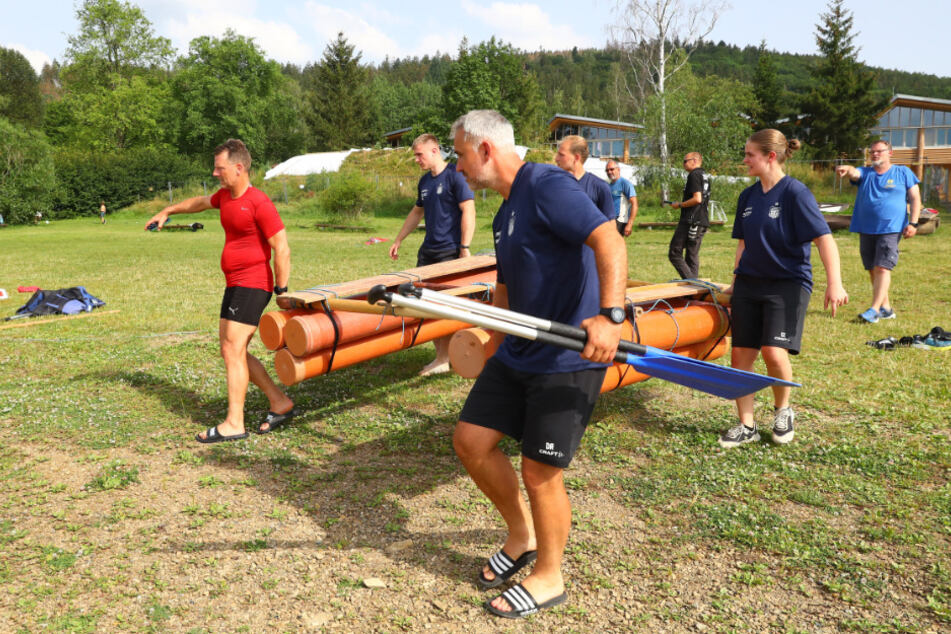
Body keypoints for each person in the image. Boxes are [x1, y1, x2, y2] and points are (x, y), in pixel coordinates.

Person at [450, 110, 627, 618]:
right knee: (471, 441)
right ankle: (521, 534)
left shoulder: (546, 184)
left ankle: (549, 576)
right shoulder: (505, 210)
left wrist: (610, 316)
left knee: (539, 469)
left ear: (485, 150)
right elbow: (506, 289)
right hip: (520, 348)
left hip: (569, 352)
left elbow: (608, 238)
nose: (458, 165)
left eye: (461, 154)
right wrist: (490, 339)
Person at [145, 139, 295, 443]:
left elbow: (282, 247)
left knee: (232, 349)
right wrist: (167, 210)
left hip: (253, 283)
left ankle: (234, 423)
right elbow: (199, 202)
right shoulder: (226, 197)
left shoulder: (259, 202)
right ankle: (279, 401)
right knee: (231, 349)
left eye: (220, 168)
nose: (215, 173)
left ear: (238, 168)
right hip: (235, 283)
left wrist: (282, 289)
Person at [720, 129, 848, 449]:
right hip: (750, 282)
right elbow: (743, 243)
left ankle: (783, 410)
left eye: (750, 154)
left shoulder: (795, 193)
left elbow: (824, 239)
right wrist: (735, 282)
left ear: (770, 156)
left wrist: (835, 283)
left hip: (788, 284)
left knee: (773, 351)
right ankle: (746, 425)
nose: (745, 160)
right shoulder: (747, 197)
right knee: (741, 355)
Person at [389, 133, 476, 375]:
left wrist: (464, 248)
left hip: (449, 251)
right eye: (415, 155)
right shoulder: (425, 182)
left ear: (435, 151)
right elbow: (417, 213)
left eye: (419, 154)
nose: (417, 159)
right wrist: (398, 239)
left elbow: (469, 210)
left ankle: (444, 359)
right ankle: (442, 357)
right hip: (427, 252)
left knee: (444, 306)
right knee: (423, 303)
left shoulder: (456, 177)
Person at [835, 139, 921, 323]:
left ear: (889, 153)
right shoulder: (865, 172)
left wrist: (913, 223)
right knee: (873, 269)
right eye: (872, 152)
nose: (875, 154)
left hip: (891, 227)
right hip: (866, 227)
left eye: (879, 151)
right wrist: (847, 167)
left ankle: (874, 310)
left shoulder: (903, 172)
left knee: (883, 267)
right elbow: (854, 173)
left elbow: (915, 198)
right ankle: (886, 309)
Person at [667, 152, 711, 279]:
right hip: (701, 220)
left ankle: (692, 283)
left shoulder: (694, 175)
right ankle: (694, 289)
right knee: (691, 255)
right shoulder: (704, 175)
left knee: (674, 253)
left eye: (685, 161)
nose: (683, 164)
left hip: (691, 220)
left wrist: (679, 205)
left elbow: (697, 199)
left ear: (695, 161)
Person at [554, 135, 616, 221]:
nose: (556, 158)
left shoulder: (600, 187)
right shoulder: (554, 185)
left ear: (576, 157)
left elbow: (610, 227)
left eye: (561, 155)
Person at [606, 159, 637, 236]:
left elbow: (635, 204)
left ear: (618, 169)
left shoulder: (625, 184)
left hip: (620, 221)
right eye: (607, 170)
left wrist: (629, 224)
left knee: (613, 245)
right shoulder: (609, 185)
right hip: (610, 220)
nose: (609, 172)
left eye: (611, 169)